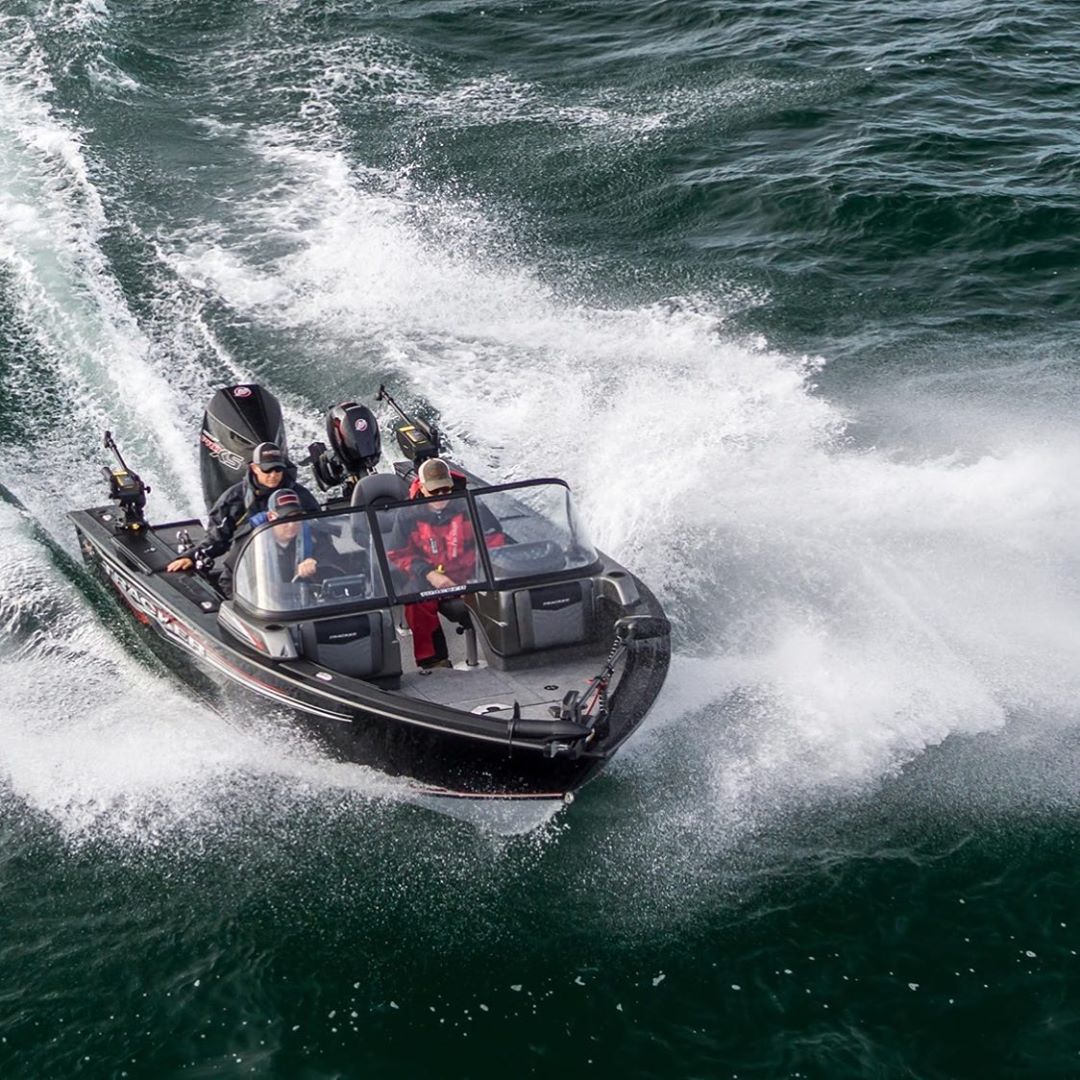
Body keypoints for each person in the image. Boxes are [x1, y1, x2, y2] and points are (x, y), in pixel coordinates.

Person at [389, 457, 504, 669]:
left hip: (472, 572)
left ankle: (508, 651)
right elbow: (398, 553)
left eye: (446, 490)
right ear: (422, 488)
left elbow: (494, 539)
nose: (441, 496)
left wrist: (481, 570)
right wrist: (430, 574)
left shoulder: (471, 504)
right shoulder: (407, 515)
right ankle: (434, 661)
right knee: (415, 600)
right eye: (434, 491)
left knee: (504, 590)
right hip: (432, 576)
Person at [166, 442, 319, 578]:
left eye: (278, 470)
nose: (273, 475)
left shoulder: (301, 496)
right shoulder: (233, 500)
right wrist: (191, 556)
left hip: (298, 559)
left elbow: (320, 529)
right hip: (250, 560)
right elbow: (217, 538)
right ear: (254, 468)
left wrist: (316, 559)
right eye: (267, 470)